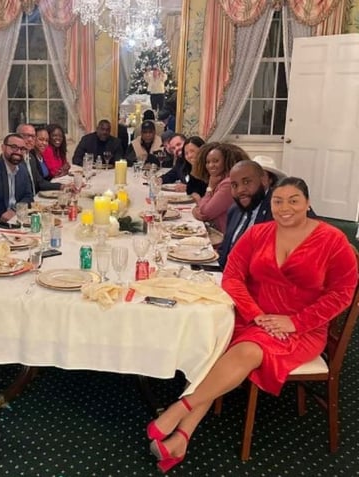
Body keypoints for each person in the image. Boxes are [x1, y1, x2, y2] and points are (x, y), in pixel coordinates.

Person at [145, 177, 357, 473]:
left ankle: (180, 408)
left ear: (308, 204)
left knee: (245, 351)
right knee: (215, 348)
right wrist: (255, 312)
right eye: (278, 201)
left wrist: (294, 322)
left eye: (294, 200)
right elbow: (232, 275)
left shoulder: (333, 241)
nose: (285, 208)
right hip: (252, 317)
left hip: (302, 328)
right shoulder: (259, 233)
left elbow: (342, 294)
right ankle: (182, 437)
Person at [191, 143, 247, 234]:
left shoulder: (228, 184)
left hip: (223, 238)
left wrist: (210, 187)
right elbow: (201, 207)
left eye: (216, 161)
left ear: (226, 161)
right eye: (208, 162)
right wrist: (195, 210)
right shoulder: (221, 180)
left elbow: (205, 213)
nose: (210, 165)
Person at [16, 124, 62, 195]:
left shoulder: (30, 157)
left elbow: (40, 181)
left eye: (32, 136)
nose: (30, 139)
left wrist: (62, 186)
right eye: (26, 136)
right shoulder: (15, 159)